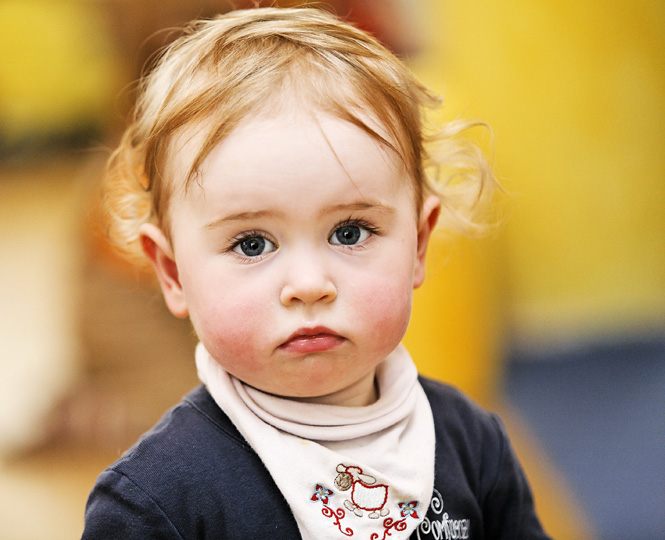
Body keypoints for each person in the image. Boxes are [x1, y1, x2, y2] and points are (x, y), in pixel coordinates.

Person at [82, 7, 551, 540]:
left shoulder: (471, 443)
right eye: (252, 243)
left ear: (419, 245)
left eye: (349, 232)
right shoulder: (159, 503)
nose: (308, 284)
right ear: (172, 272)